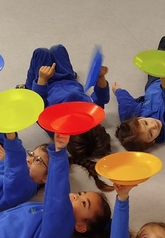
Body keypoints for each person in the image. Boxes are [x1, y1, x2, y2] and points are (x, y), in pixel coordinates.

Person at [19, 44, 112, 188]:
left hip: (45, 84)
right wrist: (101, 78)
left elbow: (37, 104)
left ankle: (26, 87)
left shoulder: (53, 125)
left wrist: (42, 80)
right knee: (58, 49)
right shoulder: (90, 115)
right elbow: (101, 99)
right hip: (68, 78)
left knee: (41, 52)